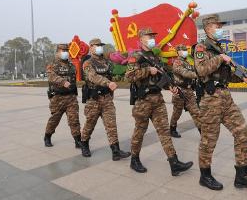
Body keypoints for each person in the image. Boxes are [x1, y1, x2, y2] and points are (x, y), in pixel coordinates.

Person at [194, 14, 247, 191]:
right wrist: (220, 58)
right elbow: (201, 70)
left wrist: (242, 78)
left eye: (220, 26)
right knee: (209, 139)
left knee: (242, 131)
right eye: (217, 26)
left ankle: (241, 175)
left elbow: (225, 75)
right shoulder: (202, 48)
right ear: (208, 28)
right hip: (210, 99)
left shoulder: (218, 48)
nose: (220, 29)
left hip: (225, 97)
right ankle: (205, 175)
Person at [126, 28, 193, 176]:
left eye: (153, 36)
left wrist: (171, 87)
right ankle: (134, 159)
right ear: (141, 38)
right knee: (139, 132)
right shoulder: (136, 56)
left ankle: (174, 162)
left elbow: (161, 78)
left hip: (158, 99)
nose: (152, 39)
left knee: (164, 131)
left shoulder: (155, 57)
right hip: (143, 101)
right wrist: (147, 70)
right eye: (149, 36)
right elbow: (129, 76)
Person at [79, 38, 130, 160]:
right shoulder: (88, 63)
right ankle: (84, 144)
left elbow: (117, 71)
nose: (99, 48)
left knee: (111, 125)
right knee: (90, 124)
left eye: (100, 45)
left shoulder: (107, 62)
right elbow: (93, 77)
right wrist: (107, 83)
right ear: (91, 47)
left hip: (107, 98)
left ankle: (116, 151)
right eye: (97, 45)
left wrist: (129, 67)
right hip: (94, 99)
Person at [44, 44, 81, 148]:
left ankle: (78, 140)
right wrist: (63, 81)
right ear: (57, 52)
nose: (66, 52)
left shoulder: (71, 65)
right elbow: (51, 77)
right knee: (54, 119)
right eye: (63, 50)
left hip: (71, 97)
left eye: (67, 50)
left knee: (74, 120)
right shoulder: (52, 65)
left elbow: (74, 79)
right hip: (57, 97)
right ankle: (47, 136)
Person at [169, 44, 201, 138]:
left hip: (189, 91)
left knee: (196, 112)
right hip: (179, 91)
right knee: (177, 112)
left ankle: (203, 133)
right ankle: (172, 129)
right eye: (182, 50)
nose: (184, 51)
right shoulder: (177, 62)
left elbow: (192, 71)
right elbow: (184, 73)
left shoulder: (187, 62)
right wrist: (198, 74)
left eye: (185, 49)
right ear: (178, 52)